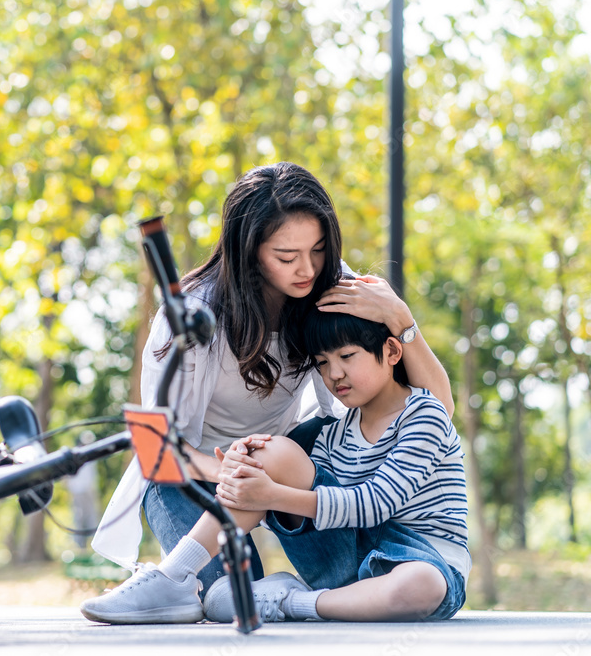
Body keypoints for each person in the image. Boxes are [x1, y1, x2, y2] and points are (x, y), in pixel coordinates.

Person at [88, 162, 455, 614]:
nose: (307, 269)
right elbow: (154, 446)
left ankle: (281, 584)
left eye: (318, 250)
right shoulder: (190, 314)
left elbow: (437, 411)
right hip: (186, 474)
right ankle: (172, 577)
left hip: (276, 458)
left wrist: (400, 318)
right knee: (222, 601)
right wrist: (234, 474)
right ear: (249, 252)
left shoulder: (331, 286)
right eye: (286, 257)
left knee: (244, 599)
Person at [82, 308, 469, 624]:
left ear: (391, 352)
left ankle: (293, 601)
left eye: (347, 357)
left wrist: (272, 494)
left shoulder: (424, 414)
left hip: (423, 559)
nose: (334, 374)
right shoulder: (335, 434)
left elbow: (375, 504)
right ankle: (175, 574)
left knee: (422, 584)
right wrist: (245, 461)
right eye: (322, 362)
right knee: (274, 452)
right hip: (351, 557)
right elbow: (299, 503)